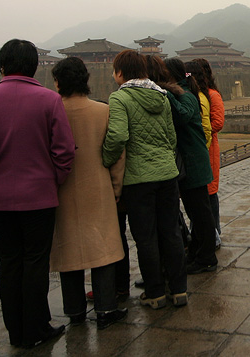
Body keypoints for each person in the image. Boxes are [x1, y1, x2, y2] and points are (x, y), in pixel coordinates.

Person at [0, 38, 75, 348]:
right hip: (39, 198)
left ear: (1, 65)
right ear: (35, 67)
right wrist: (54, 180)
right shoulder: (49, 100)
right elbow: (64, 151)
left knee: (9, 262)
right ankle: (37, 327)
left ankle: (16, 331)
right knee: (36, 262)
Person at [102, 50, 187, 309]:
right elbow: (171, 137)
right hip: (167, 174)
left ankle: (155, 293)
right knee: (171, 232)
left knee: (146, 237)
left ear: (120, 72)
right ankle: (179, 290)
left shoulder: (120, 98)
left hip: (139, 180)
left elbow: (117, 137)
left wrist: (105, 160)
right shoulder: (162, 96)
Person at [49, 57, 127, 330]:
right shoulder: (102, 111)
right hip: (99, 186)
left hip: (62, 189)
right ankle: (106, 308)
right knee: (102, 248)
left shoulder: (52, 112)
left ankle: (75, 310)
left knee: (69, 251)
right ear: (86, 80)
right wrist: (116, 187)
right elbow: (117, 154)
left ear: (58, 82)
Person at [162, 57, 218, 274]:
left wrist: (165, 93)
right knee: (196, 213)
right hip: (191, 162)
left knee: (201, 213)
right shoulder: (184, 92)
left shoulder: (186, 95)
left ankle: (207, 257)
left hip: (194, 162)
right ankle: (197, 252)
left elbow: (183, 116)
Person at [187, 58, 225, 249]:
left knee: (210, 193)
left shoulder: (212, 95)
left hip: (208, 149)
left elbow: (218, 122)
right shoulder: (196, 95)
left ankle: (214, 233)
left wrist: (200, 133)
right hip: (200, 148)